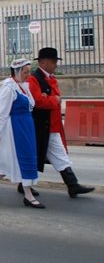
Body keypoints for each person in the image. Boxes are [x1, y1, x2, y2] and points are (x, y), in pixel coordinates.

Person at [28, 47, 94, 198]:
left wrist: (49, 98)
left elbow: (46, 98)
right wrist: (53, 100)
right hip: (42, 125)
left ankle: (72, 185)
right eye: (53, 62)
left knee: (58, 155)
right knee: (36, 156)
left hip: (52, 124)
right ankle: (25, 185)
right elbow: (37, 100)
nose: (56, 65)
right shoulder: (34, 78)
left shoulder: (49, 78)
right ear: (43, 62)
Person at [0, 59, 44, 208]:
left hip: (26, 126)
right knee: (22, 159)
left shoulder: (23, 86)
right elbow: (1, 111)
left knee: (15, 159)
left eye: (28, 72)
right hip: (16, 128)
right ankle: (28, 195)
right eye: (25, 72)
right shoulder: (9, 88)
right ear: (17, 72)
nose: (28, 75)